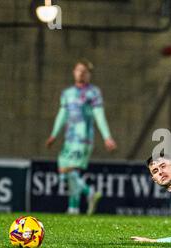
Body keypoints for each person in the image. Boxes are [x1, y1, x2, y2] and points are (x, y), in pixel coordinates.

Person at [45, 59, 117, 215]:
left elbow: (99, 115)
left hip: (83, 139)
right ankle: (73, 208)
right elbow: (62, 115)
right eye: (78, 70)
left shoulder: (93, 93)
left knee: (68, 170)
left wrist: (107, 137)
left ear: (89, 75)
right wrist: (53, 134)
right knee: (69, 174)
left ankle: (89, 192)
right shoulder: (67, 93)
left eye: (84, 71)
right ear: (74, 72)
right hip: (69, 139)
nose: (81, 73)